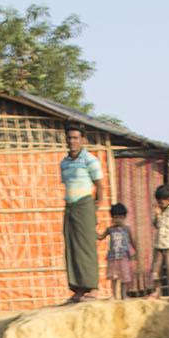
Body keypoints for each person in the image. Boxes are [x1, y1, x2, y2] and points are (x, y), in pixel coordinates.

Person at [59, 126, 104, 303]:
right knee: (72, 246)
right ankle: (77, 288)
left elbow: (99, 184)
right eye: (69, 138)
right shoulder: (64, 163)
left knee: (86, 246)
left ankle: (92, 287)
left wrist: (96, 205)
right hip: (70, 205)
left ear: (83, 140)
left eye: (76, 138)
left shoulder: (90, 160)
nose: (72, 142)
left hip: (85, 204)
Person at [100, 202, 138, 300]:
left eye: (120, 217)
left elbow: (132, 241)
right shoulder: (110, 229)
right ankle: (114, 295)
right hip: (113, 257)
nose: (118, 220)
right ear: (112, 218)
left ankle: (123, 295)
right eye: (115, 217)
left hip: (124, 257)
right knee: (114, 277)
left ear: (124, 217)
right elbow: (101, 237)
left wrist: (135, 252)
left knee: (124, 277)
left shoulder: (127, 229)